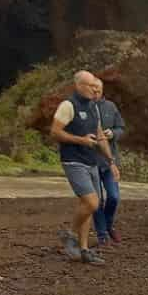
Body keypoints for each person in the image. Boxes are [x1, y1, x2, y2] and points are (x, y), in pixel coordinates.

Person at [50, 71, 110, 264]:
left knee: (91, 205)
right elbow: (55, 132)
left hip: (91, 161)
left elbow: (99, 134)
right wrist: (81, 140)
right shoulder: (68, 106)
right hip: (74, 161)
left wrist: (111, 160)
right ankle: (69, 234)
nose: (94, 89)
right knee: (91, 202)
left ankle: (84, 250)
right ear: (78, 86)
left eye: (95, 86)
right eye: (90, 86)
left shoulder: (94, 107)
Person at [90, 79, 126, 247]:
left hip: (109, 161)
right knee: (97, 201)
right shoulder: (85, 108)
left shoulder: (111, 107)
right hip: (91, 161)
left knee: (114, 196)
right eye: (92, 89)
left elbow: (121, 128)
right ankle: (102, 234)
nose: (94, 92)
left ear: (102, 90)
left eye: (97, 90)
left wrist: (113, 133)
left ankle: (108, 225)